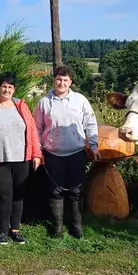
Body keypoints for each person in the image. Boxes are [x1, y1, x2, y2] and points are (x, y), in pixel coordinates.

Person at [33, 64, 101, 238]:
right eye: (58, 80)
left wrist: (93, 146)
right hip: (52, 154)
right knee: (55, 191)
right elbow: (37, 129)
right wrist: (39, 152)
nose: (61, 83)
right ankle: (57, 227)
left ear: (70, 82)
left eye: (65, 80)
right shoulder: (44, 103)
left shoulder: (80, 100)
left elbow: (91, 124)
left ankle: (76, 226)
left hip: (76, 153)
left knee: (76, 191)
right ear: (53, 80)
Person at [0, 72, 42, 245]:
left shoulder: (22, 106)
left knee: (18, 196)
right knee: (4, 195)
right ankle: (3, 231)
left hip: (22, 159)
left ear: (14, 89)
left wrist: (36, 155)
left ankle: (16, 230)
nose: (7, 90)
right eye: (4, 86)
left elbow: (32, 132)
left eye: (10, 87)